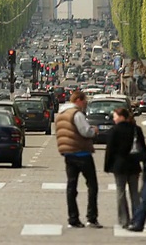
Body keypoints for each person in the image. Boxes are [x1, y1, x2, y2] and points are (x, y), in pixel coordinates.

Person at [55, 91, 102, 229]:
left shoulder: (61, 114)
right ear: (79, 100)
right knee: (92, 185)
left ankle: (73, 218)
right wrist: (94, 131)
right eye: (85, 101)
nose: (85, 104)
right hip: (82, 153)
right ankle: (91, 218)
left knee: (71, 187)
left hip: (68, 153)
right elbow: (85, 131)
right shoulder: (77, 114)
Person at [104, 108, 146, 229]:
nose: (114, 118)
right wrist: (145, 163)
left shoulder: (114, 130)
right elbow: (142, 148)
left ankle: (124, 220)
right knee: (134, 193)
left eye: (115, 116)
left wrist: (107, 166)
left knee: (120, 192)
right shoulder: (136, 129)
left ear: (121, 117)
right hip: (134, 165)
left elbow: (110, 150)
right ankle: (137, 219)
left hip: (120, 166)